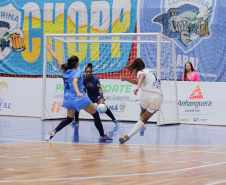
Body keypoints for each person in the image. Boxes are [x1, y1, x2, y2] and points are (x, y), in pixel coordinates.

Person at [45, 44, 112, 142]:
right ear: (76, 64)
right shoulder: (77, 73)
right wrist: (77, 92)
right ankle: (102, 135)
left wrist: (50, 50)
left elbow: (57, 61)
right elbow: (74, 82)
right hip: (79, 98)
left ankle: (54, 131)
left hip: (68, 99)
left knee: (69, 119)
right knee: (96, 114)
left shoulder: (65, 69)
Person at [119, 58, 163, 144]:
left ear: (136, 67)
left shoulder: (141, 71)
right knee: (144, 118)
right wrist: (127, 79)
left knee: (142, 114)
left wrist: (137, 88)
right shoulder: (150, 71)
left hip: (147, 93)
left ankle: (141, 128)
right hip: (158, 96)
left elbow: (141, 77)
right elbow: (139, 81)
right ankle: (129, 135)